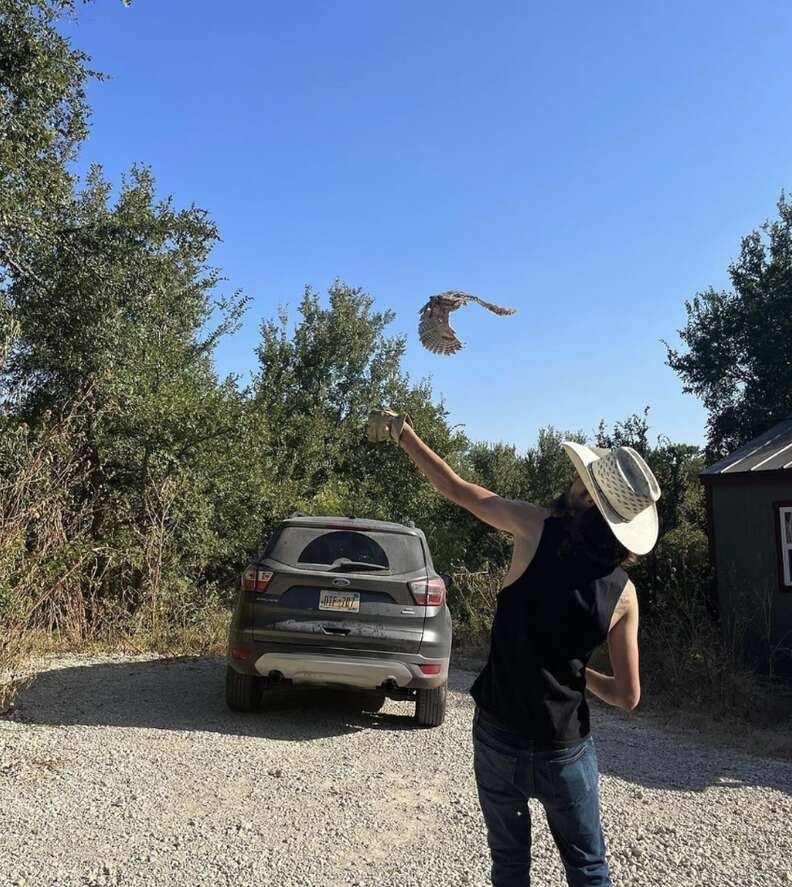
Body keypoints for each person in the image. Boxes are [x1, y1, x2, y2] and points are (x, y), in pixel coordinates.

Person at [367, 409, 662, 887]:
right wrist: (579, 674)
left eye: (579, 481)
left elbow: (458, 490)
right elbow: (628, 697)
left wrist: (404, 433)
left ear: (588, 498)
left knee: (509, 866)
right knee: (588, 869)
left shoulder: (533, 526)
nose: (572, 482)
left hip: (499, 732)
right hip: (564, 748)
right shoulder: (624, 593)